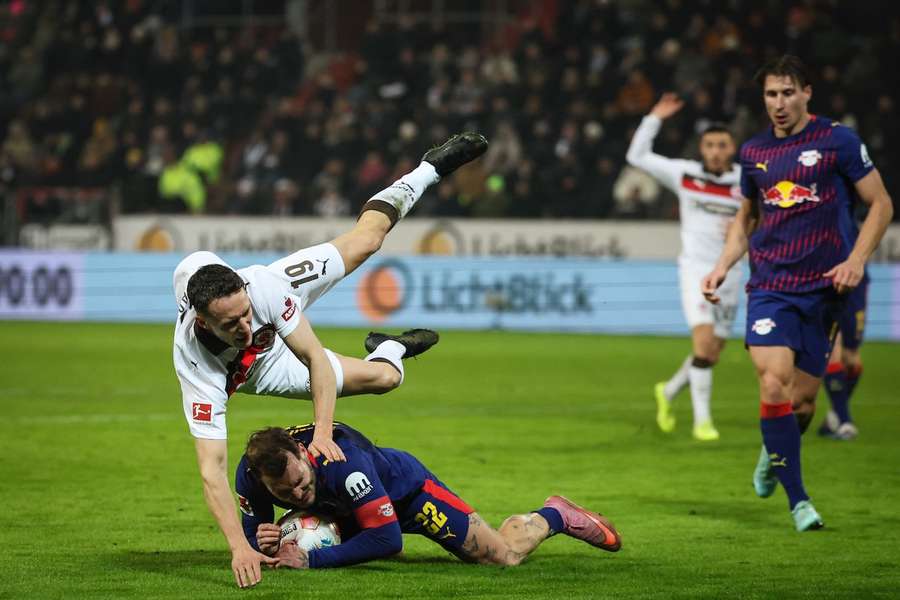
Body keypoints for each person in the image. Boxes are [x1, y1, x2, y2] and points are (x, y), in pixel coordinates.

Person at [172, 132, 488, 588]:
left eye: (244, 315)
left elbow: (315, 358)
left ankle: (429, 169)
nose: (242, 327)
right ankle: (393, 348)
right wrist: (240, 546)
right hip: (260, 369)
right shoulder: (196, 365)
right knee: (384, 379)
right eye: (230, 325)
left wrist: (322, 432)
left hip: (282, 323)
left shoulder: (260, 287)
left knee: (366, 241)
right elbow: (211, 470)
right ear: (203, 321)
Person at [701, 56, 893, 531]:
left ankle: (774, 448)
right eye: (771, 95)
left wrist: (856, 260)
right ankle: (799, 501)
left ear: (807, 92)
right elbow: (745, 217)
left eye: (788, 93)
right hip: (770, 286)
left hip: (825, 290)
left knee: (802, 404)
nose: (779, 104)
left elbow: (881, 203)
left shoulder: (838, 141)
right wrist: (723, 264)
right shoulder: (754, 152)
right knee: (772, 383)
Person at [236, 422, 622, 571]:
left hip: (408, 496)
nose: (299, 495)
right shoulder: (250, 474)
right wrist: (264, 541)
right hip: (344, 510)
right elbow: (254, 533)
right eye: (285, 493)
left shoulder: (345, 464)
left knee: (504, 556)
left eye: (302, 482)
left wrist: (311, 559)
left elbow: (388, 539)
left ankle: (555, 515)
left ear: (303, 453)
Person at [626, 92, 742, 441]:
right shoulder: (686, 174)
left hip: (732, 272)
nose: (716, 151)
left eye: (722, 144)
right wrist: (654, 118)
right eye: (710, 145)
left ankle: (669, 390)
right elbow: (637, 156)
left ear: (732, 148)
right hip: (695, 271)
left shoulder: (746, 181)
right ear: (702, 149)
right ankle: (702, 422)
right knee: (704, 345)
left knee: (712, 353)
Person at [817, 277, 867, 440]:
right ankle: (845, 422)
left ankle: (835, 415)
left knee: (852, 361)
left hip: (855, 279)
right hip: (824, 279)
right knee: (832, 350)